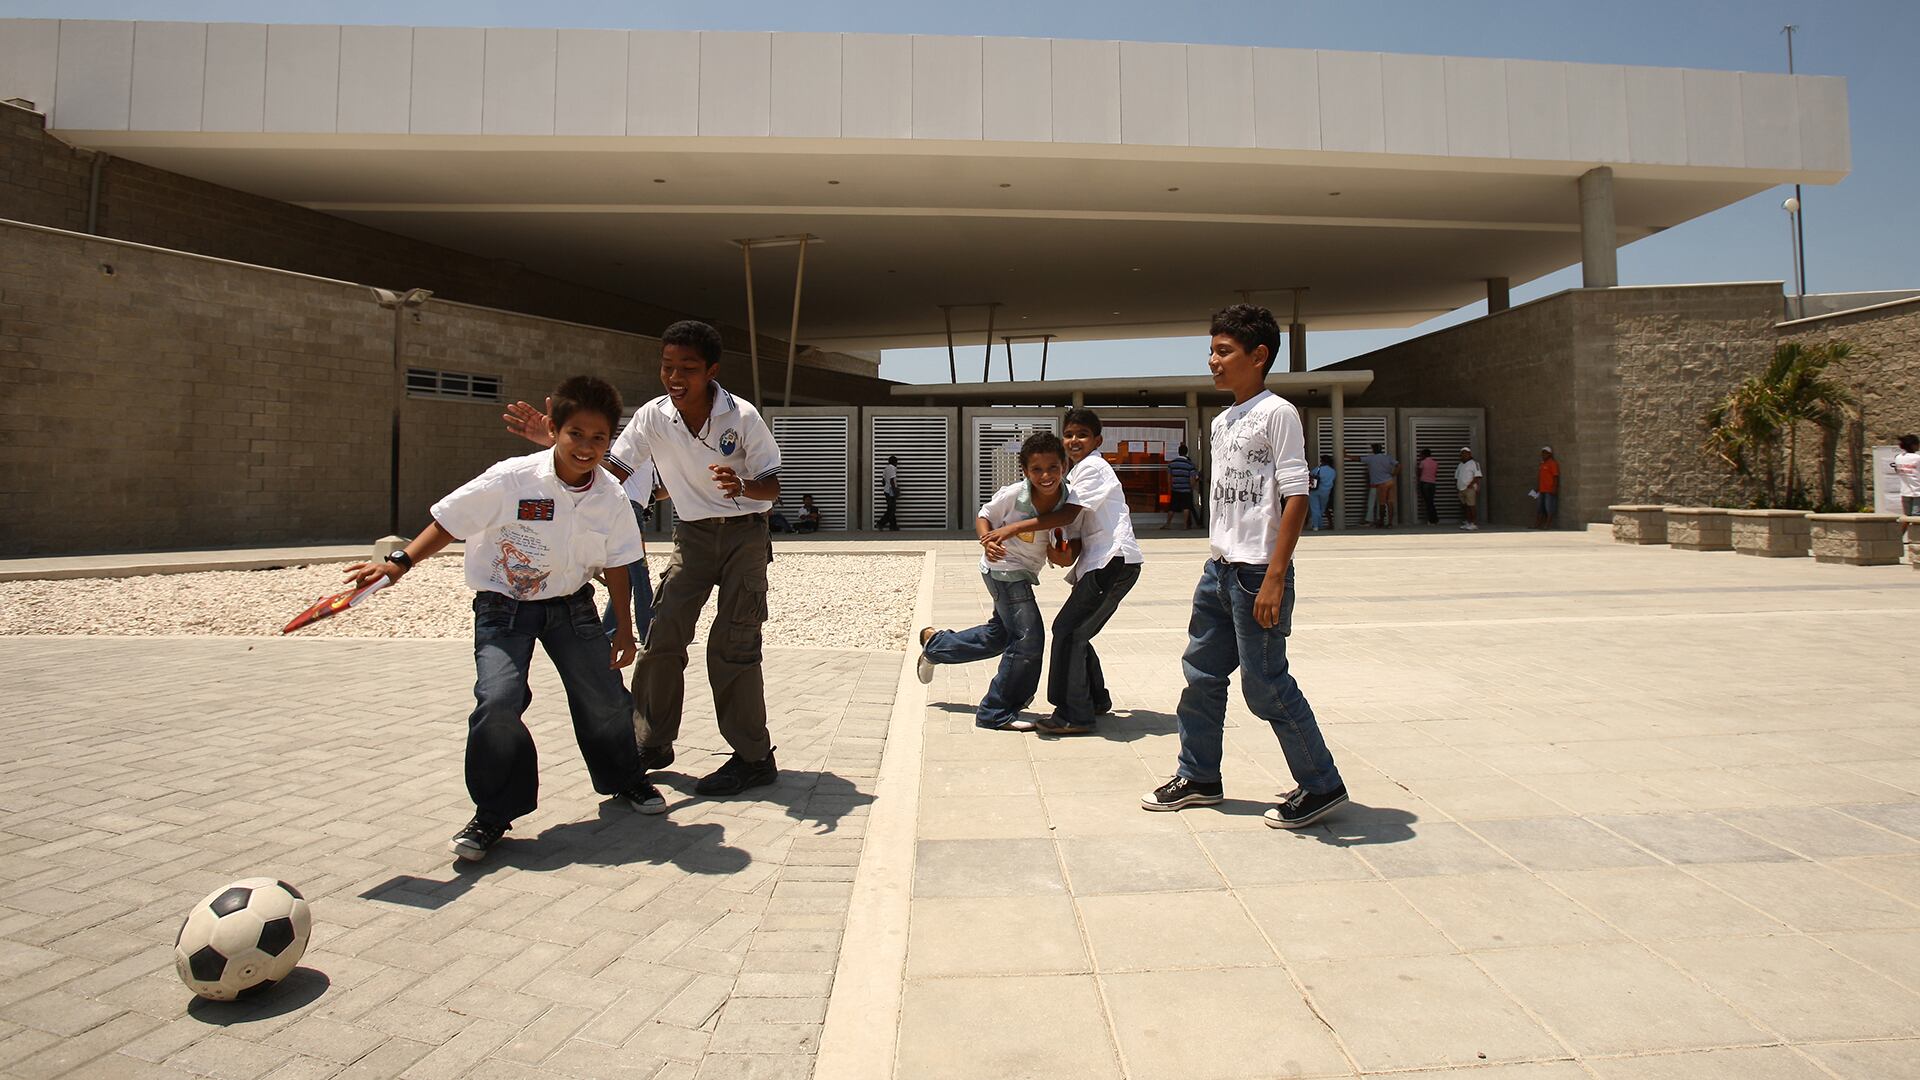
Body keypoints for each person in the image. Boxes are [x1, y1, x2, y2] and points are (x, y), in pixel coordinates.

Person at [347, 376, 664, 863]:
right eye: (575, 433)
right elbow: (448, 523)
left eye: (598, 438)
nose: (586, 447)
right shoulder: (511, 478)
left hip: (571, 606)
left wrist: (623, 626)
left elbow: (619, 562)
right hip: (504, 608)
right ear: (554, 428)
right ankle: (494, 812)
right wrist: (399, 563)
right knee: (497, 701)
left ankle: (627, 780)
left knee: (603, 697)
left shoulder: (610, 496)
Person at [504, 320, 783, 797]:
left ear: (711, 370)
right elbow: (613, 469)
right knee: (661, 638)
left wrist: (742, 486)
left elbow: (772, 486)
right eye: (667, 367)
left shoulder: (742, 417)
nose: (675, 377)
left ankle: (754, 757)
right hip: (692, 537)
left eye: (688, 369)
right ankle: (652, 742)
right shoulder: (654, 416)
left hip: (744, 537)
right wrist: (557, 446)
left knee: (732, 646)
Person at [1144, 304, 1346, 830]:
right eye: (1211, 350)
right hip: (1219, 569)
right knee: (1202, 674)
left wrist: (1276, 575)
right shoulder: (1222, 420)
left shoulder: (1279, 413)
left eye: (1223, 351)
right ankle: (1200, 778)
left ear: (1259, 356)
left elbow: (1296, 496)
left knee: (1265, 684)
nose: (1213, 361)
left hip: (1258, 571)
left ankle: (1322, 784)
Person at [914, 431, 1083, 732]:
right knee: (1029, 637)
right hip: (1002, 569)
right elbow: (984, 515)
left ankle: (936, 645)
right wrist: (986, 540)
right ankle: (996, 710)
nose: (1045, 476)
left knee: (1000, 636)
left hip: (1026, 572)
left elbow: (1062, 551)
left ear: (1064, 466)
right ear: (1025, 471)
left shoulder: (1069, 500)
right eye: (1037, 470)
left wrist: (1060, 554)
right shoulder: (1013, 495)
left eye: (1052, 468)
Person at [1034, 408, 1145, 736]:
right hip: (1100, 565)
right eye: (1068, 434)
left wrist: (1016, 527)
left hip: (1114, 562)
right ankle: (1094, 699)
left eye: (1081, 434)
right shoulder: (1076, 475)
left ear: (1097, 440)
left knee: (1068, 630)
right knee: (1076, 631)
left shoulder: (1094, 467)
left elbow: (1067, 515)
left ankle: (1074, 713)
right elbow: (1073, 541)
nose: (1073, 440)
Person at [601, 459, 665, 643]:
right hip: (628, 509)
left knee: (628, 574)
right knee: (640, 572)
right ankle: (649, 629)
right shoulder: (633, 452)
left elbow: (659, 492)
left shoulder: (649, 463)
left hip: (633, 509)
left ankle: (610, 628)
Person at [1351, 443, 1399, 527]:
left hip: (1381, 484)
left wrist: (1346, 456)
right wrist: (1394, 474)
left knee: (1382, 503)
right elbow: (1398, 465)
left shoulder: (1372, 458)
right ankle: (1390, 523)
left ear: (1373, 450)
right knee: (1390, 502)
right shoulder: (1388, 457)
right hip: (1390, 481)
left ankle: (1381, 522)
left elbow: (1358, 458)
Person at [1163, 444, 1201, 529]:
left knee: (1172, 507)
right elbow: (1192, 479)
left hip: (1175, 488)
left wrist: (1170, 486)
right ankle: (1185, 525)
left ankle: (1168, 524)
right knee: (1186, 507)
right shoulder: (1190, 465)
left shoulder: (1172, 464)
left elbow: (1169, 477)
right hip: (1186, 489)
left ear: (1178, 452)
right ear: (1186, 453)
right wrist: (1192, 487)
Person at [1455, 447, 1483, 531]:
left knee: (1471, 506)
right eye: (1462, 454)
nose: (1464, 455)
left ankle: (1473, 523)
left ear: (1469, 454)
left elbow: (1477, 476)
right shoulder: (1460, 465)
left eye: (1465, 453)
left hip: (1470, 489)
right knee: (1465, 506)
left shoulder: (1474, 463)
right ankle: (1468, 521)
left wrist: (1471, 485)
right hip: (1461, 488)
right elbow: (1457, 476)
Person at [1308, 454, 1336, 530]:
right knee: (1322, 509)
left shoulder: (1318, 469)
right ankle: (1319, 524)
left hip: (1315, 491)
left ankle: (1316, 525)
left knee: (1315, 508)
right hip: (1326, 492)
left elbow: (1310, 476)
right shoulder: (1333, 471)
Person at [1893, 434, 1920, 516]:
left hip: (1905, 492)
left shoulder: (1898, 458)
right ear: (1913, 445)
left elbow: (1897, 470)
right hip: (1918, 492)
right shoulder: (1917, 458)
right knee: (1916, 518)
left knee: (1907, 517)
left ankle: (1904, 529)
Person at [1535, 446, 1560, 529]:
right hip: (1541, 490)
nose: (1543, 454)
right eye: (1542, 453)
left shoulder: (1552, 463)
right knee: (1539, 508)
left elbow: (1555, 476)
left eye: (1545, 453)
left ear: (1549, 454)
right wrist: (1538, 487)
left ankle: (1547, 525)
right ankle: (1538, 524)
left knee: (1549, 508)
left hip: (1549, 490)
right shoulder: (1542, 464)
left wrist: (1554, 488)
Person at [1416, 448, 1440, 525]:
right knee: (1430, 501)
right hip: (1432, 483)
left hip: (1424, 483)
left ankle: (1433, 519)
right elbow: (1435, 473)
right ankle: (1434, 519)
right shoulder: (1435, 463)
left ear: (1424, 455)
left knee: (1428, 502)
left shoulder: (1422, 462)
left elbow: (1419, 472)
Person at [878, 455, 901, 530]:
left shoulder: (886, 468)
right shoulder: (892, 468)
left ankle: (893, 526)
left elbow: (883, 481)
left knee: (891, 508)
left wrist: (886, 486)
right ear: (895, 462)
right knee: (892, 509)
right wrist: (894, 490)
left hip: (886, 490)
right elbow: (892, 480)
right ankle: (880, 523)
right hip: (891, 490)